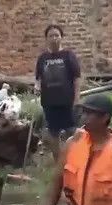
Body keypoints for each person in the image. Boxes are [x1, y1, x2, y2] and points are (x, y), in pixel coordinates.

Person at [35, 24, 82, 160]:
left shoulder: (68, 56)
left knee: (71, 131)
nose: (54, 38)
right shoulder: (42, 58)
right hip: (49, 101)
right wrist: (37, 87)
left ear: (61, 38)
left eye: (57, 35)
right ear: (46, 39)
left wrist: (77, 98)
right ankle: (58, 162)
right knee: (53, 133)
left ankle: (74, 159)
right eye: (51, 36)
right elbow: (38, 78)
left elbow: (76, 78)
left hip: (67, 100)